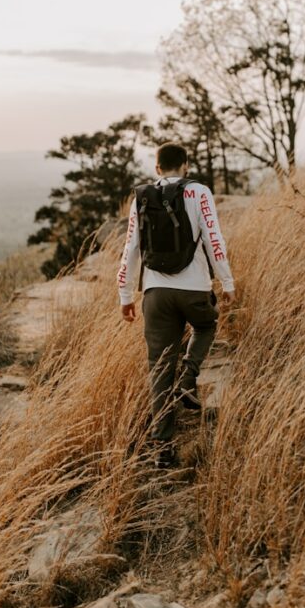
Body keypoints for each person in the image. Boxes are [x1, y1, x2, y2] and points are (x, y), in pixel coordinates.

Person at [117, 142, 235, 466]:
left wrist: (125, 295)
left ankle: (162, 449)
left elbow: (131, 249)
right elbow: (214, 239)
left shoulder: (141, 197)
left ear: (157, 169)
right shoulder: (199, 193)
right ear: (185, 165)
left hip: (155, 294)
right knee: (207, 325)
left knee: (158, 368)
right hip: (194, 289)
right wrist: (227, 282)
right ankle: (189, 375)